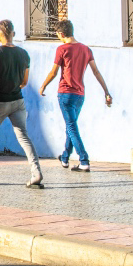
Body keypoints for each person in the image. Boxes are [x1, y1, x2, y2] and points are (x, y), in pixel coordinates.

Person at [0, 19, 43, 188]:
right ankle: (36, 172)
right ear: (13, 34)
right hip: (17, 101)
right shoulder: (24, 54)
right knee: (23, 136)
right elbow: (25, 81)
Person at [39, 19, 112, 172]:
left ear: (61, 33)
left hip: (65, 94)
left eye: (57, 34)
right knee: (71, 126)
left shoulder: (62, 49)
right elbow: (96, 72)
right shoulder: (86, 49)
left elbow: (54, 72)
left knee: (71, 127)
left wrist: (44, 85)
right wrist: (106, 91)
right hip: (80, 95)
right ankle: (65, 157)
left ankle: (84, 160)